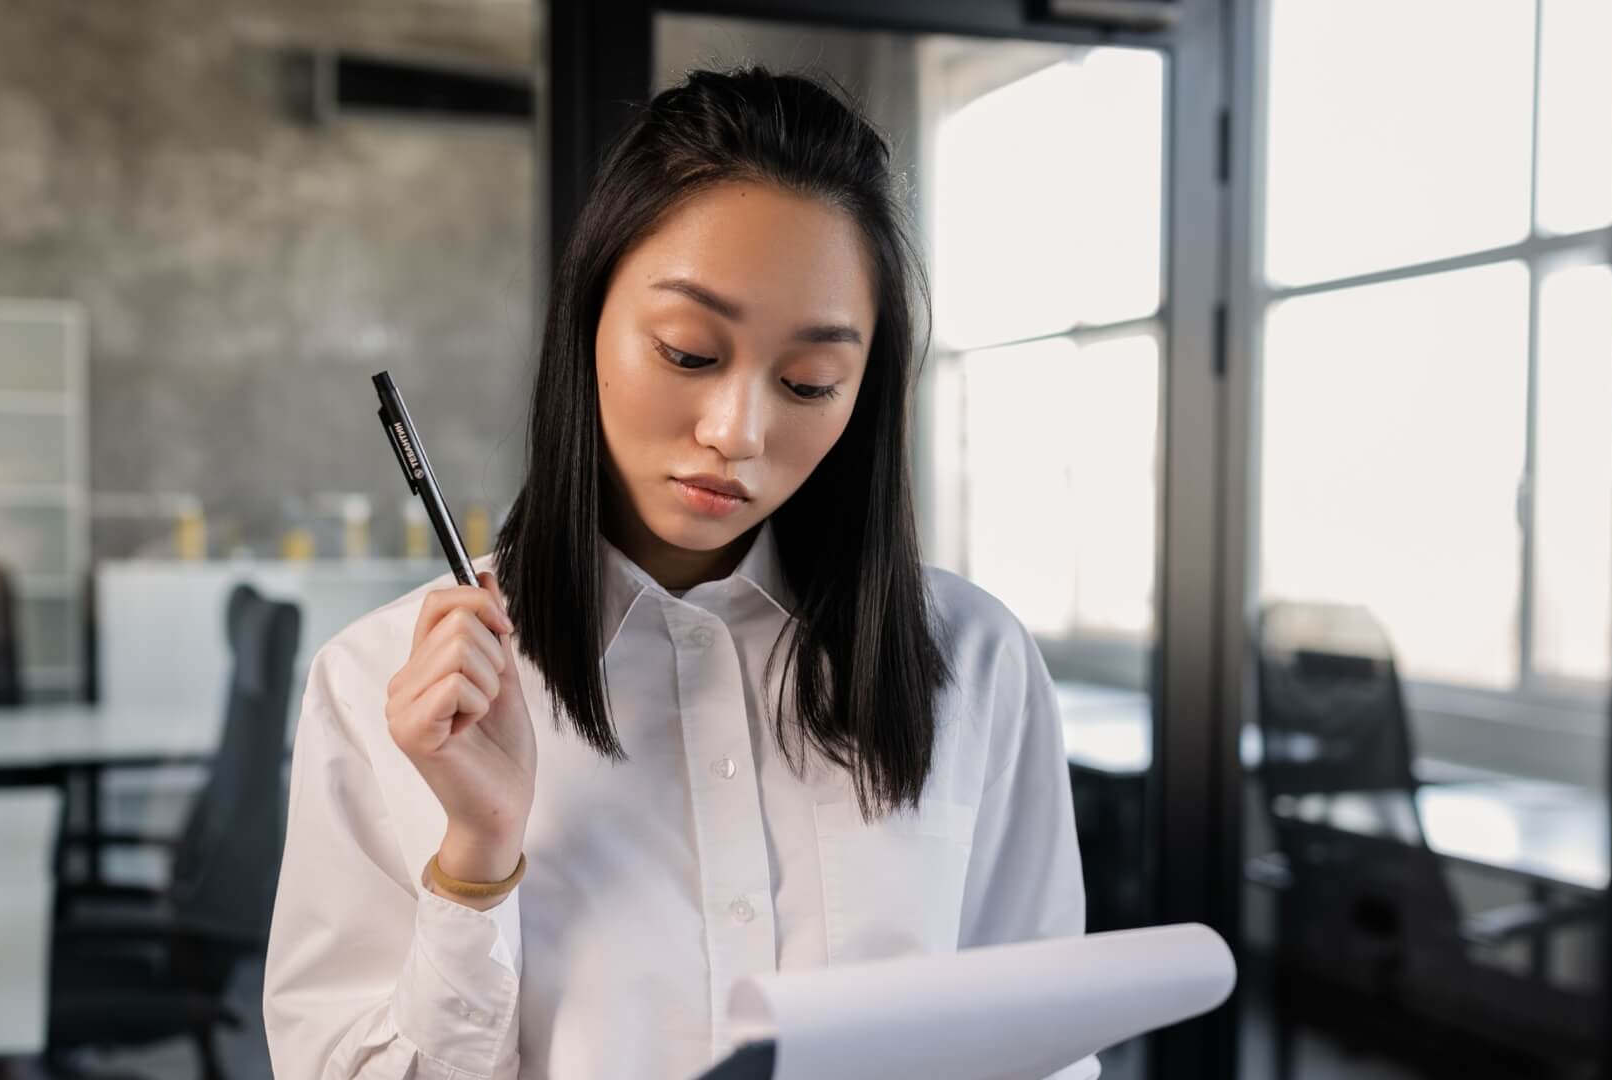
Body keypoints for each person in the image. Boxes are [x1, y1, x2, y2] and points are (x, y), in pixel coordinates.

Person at [263, 64, 1096, 1080]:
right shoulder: (380, 684)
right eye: (690, 353)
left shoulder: (974, 662)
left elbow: (1038, 1052)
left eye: (809, 382)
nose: (736, 433)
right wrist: (474, 867)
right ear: (588, 323)